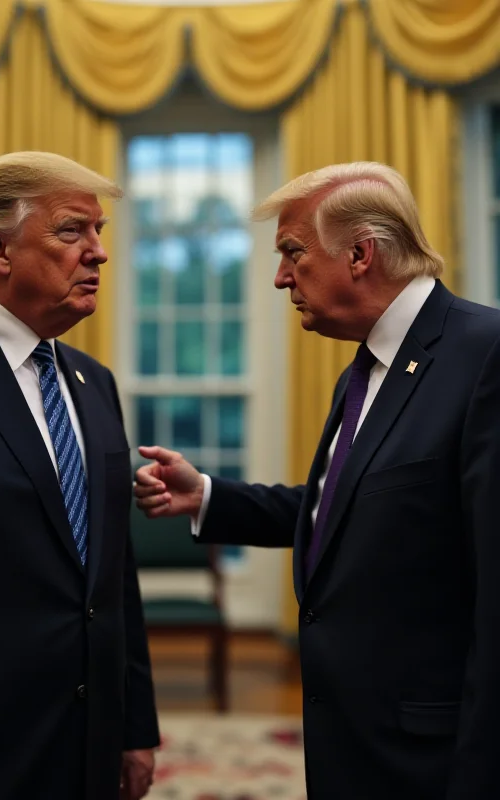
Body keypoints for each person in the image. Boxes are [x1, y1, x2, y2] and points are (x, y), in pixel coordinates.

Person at [135, 161, 500, 800]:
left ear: (360, 254)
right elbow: (348, 511)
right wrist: (210, 497)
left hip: (432, 757)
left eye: (292, 253)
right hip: (353, 741)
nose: (280, 278)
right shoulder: (363, 372)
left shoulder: (484, 355)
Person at [0, 151, 159, 800]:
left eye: (100, 232)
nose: (99, 253)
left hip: (89, 742)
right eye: (73, 231)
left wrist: (134, 726)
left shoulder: (94, 383)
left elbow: (114, 576)